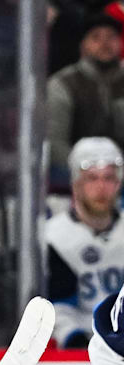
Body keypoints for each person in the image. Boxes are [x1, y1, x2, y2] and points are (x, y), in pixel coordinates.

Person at [46, 137, 124, 349]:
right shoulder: (54, 235)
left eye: (108, 178)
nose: (101, 187)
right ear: (76, 183)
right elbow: (59, 307)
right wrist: (75, 342)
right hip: (81, 348)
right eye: (92, 178)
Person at [48, 13, 124, 187]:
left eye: (111, 37)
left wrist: (116, 173)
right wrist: (90, 174)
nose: (104, 44)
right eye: (96, 38)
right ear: (83, 45)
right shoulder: (63, 84)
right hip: (72, 174)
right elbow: (56, 143)